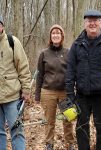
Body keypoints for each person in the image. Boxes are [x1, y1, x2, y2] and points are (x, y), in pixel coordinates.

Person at [66, 10, 101, 150]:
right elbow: (70, 72)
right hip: (82, 95)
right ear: (84, 23)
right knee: (82, 129)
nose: (92, 23)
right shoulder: (77, 44)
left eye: (95, 20)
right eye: (89, 20)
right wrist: (70, 96)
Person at [35, 24, 74, 150]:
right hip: (48, 92)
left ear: (62, 36)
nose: (56, 35)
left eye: (58, 33)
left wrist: (74, 90)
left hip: (65, 92)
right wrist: (37, 95)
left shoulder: (68, 53)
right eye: (53, 33)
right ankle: (49, 144)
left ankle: (70, 143)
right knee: (49, 121)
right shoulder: (44, 54)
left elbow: (73, 72)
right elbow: (40, 75)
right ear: (50, 37)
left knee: (68, 119)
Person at [0, 16, 31, 150]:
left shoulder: (12, 42)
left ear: (2, 26)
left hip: (13, 97)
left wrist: (26, 90)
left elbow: (23, 67)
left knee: (17, 131)